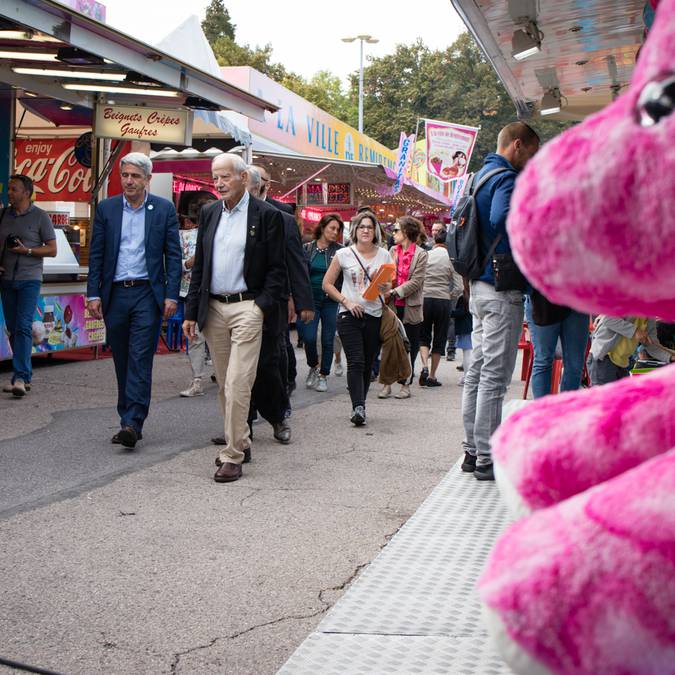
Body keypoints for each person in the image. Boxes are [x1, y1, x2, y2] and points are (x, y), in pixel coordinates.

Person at [183, 154, 285, 483]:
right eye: (215, 177)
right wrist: (191, 312)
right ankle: (241, 438)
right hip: (213, 308)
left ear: (243, 177)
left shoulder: (267, 215)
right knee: (225, 383)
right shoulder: (210, 213)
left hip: (247, 307)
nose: (219, 183)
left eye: (226, 176)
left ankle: (233, 455)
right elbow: (200, 268)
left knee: (238, 382)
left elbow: (277, 269)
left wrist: (259, 306)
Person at [461, 122, 540, 481]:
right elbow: (504, 219)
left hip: (478, 287)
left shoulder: (477, 177)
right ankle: (487, 457)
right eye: (532, 154)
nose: (531, 162)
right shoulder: (506, 178)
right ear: (518, 146)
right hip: (501, 288)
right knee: (495, 376)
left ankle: (471, 450)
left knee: (478, 371)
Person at [87, 153, 181, 448]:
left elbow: (174, 257)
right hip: (115, 293)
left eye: (135, 176)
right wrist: (93, 292)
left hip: (146, 293)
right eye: (125, 175)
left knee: (140, 357)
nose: (128, 181)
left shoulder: (163, 209)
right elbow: (97, 253)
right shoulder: (107, 209)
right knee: (122, 358)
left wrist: (171, 295)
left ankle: (132, 422)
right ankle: (126, 416)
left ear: (147, 180)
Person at [242, 166, 312, 445]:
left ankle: (278, 415)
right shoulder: (221, 214)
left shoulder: (281, 218)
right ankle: (241, 424)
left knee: (268, 364)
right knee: (237, 368)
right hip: (233, 302)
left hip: (272, 302)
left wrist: (303, 301)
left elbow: (295, 261)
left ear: (260, 188)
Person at [322, 210, 392, 426]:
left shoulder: (385, 255)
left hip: (374, 314)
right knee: (356, 360)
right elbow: (327, 284)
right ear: (355, 230)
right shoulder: (344, 254)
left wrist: (386, 288)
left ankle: (360, 403)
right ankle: (358, 407)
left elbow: (388, 289)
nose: (365, 230)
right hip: (348, 315)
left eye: (370, 227)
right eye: (362, 226)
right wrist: (346, 301)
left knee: (368, 362)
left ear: (375, 231)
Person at [0, 174, 57, 397]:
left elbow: (52, 249)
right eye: (9, 189)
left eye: (14, 189)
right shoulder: (4, 215)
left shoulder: (41, 217)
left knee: (23, 326)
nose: (10, 193)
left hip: (30, 278)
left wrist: (28, 251)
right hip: (7, 280)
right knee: (14, 328)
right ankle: (22, 374)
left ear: (26, 193)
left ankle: (21, 377)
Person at [379, 216, 427, 400]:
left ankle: (405, 384)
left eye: (397, 230)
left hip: (411, 307)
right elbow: (385, 273)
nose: (394, 233)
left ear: (406, 232)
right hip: (390, 306)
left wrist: (395, 292)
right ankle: (386, 384)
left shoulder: (421, 254)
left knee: (409, 348)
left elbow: (416, 281)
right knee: (388, 345)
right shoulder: (391, 251)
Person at [178, 193, 217, 397]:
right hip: (192, 291)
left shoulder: (223, 234)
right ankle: (197, 380)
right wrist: (188, 262)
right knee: (194, 336)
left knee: (219, 337)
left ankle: (221, 373)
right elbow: (176, 262)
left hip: (219, 293)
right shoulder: (185, 236)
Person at [303, 213, 344, 392]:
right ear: (322, 227)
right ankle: (313, 365)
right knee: (309, 337)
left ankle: (323, 375)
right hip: (309, 301)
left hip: (330, 301)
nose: (335, 232)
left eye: (338, 229)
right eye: (332, 228)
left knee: (328, 339)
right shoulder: (307, 248)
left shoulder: (340, 251)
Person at [524, 290, 590, 398]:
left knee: (575, 365)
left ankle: (566, 412)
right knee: (543, 361)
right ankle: (543, 411)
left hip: (577, 299)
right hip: (543, 299)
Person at [419, 225, 458, 387]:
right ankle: (433, 376)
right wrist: (450, 296)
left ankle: (424, 367)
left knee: (424, 335)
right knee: (440, 338)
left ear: (435, 240)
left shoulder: (426, 255)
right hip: (442, 301)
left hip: (425, 299)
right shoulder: (451, 259)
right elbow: (459, 287)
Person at [588, 316, 675, 385]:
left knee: (622, 404)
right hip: (603, 359)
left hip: (622, 363)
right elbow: (608, 319)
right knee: (605, 403)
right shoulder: (629, 301)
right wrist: (635, 331)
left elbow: (652, 346)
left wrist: (671, 357)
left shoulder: (649, 316)